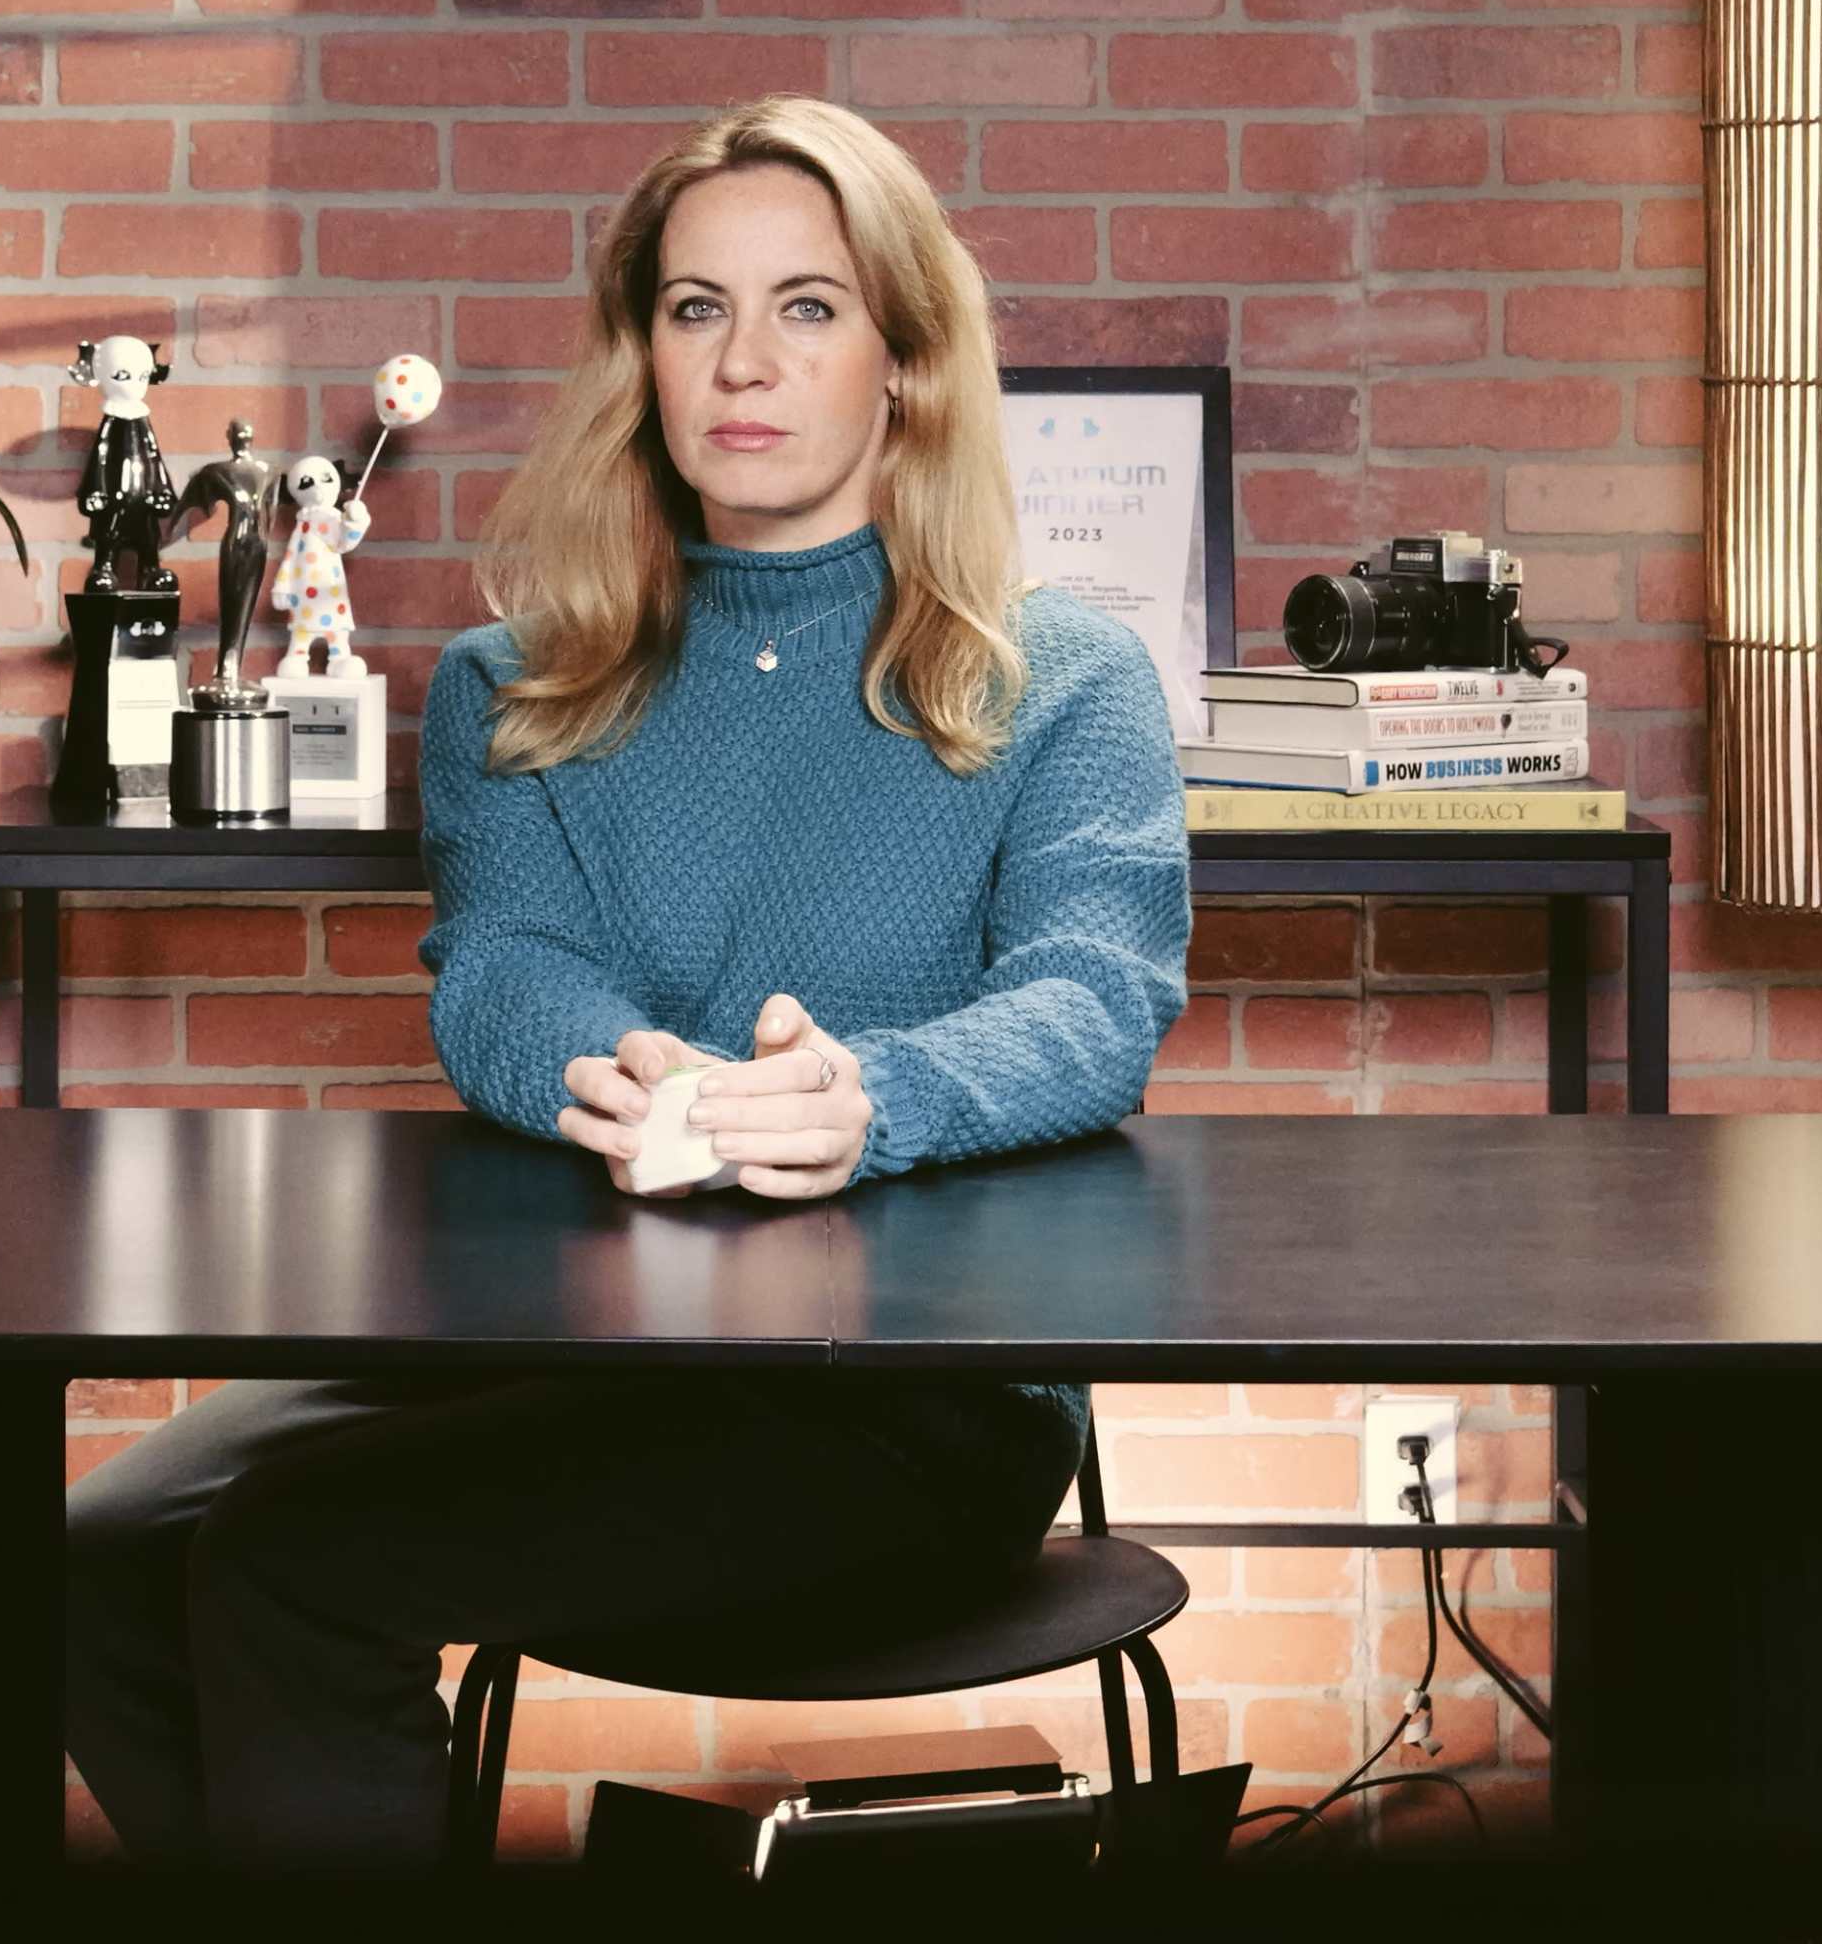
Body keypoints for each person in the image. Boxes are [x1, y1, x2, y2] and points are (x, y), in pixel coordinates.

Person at [59, 94, 1193, 1872]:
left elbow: (1097, 998)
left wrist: (871, 1099)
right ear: (641, 355)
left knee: (293, 1570)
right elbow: (503, 960)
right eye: (695, 308)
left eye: (808, 308)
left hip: (907, 1404)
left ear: (903, 359)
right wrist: (608, 1063)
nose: (745, 361)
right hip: (564, 1345)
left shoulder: (1063, 677)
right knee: (97, 1552)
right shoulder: (519, 682)